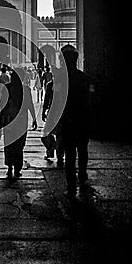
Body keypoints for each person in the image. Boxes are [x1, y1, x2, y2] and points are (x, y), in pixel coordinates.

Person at [60, 45, 91, 199]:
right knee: (83, 150)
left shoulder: (61, 79)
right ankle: (83, 175)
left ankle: (71, 186)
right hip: (83, 121)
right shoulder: (84, 78)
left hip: (68, 122)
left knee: (70, 155)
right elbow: (90, 100)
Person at [0, 67, 37, 179]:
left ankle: (10, 167)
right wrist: (34, 118)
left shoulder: (7, 88)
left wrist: (0, 125)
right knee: (19, 145)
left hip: (9, 121)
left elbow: (2, 107)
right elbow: (30, 105)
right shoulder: (26, 89)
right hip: (21, 121)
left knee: (9, 144)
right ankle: (17, 168)